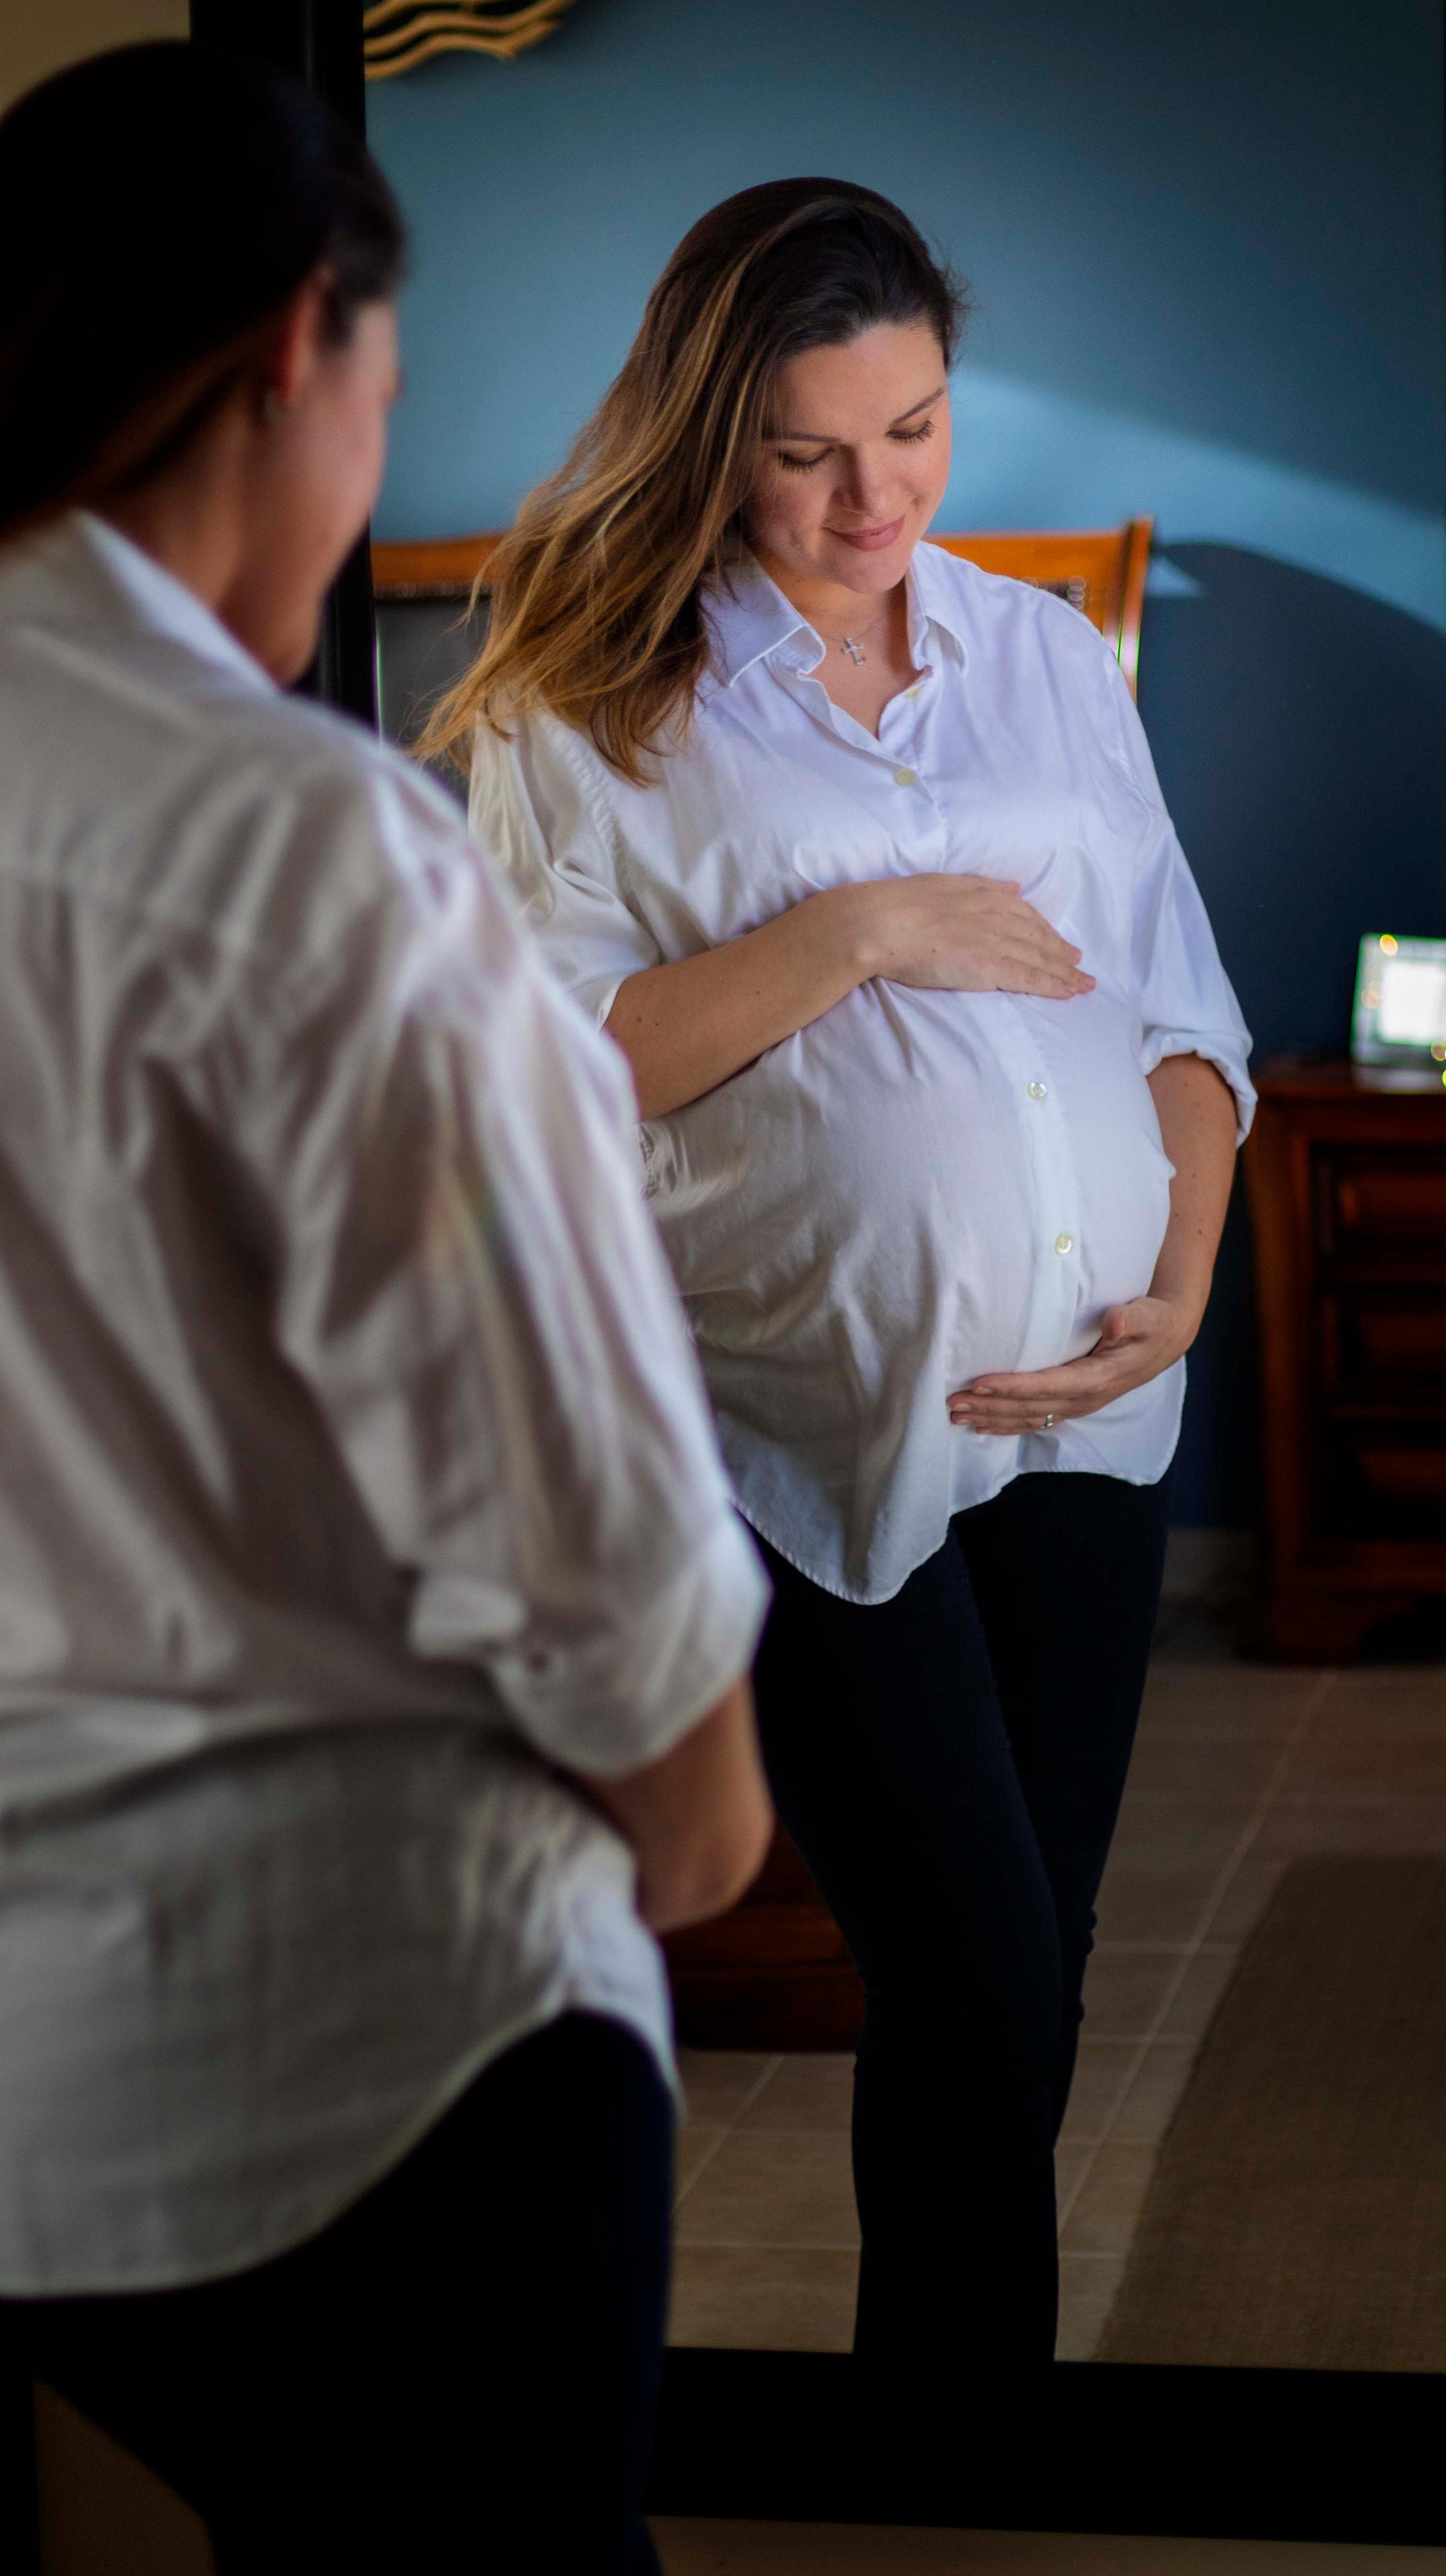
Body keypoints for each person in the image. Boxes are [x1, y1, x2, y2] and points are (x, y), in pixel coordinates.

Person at [0, 44, 772, 2571]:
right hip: (365, 2041)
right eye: (385, 399)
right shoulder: (296, 844)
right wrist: (702, 1806)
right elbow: (558, 1489)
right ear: (281, 361)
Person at [435, 178, 1253, 2367]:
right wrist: (857, 932)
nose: (871, 492)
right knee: (973, 1961)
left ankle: (955, 2427)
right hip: (800, 1429)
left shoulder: (1055, 658)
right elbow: (549, 1074)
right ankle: (951, 2421)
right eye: (809, 451)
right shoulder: (597, 698)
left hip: (1093, 1412)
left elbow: (1183, 1011)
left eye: (914, 429)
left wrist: (1189, 1267)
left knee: (1027, 1969)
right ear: (715, 436)